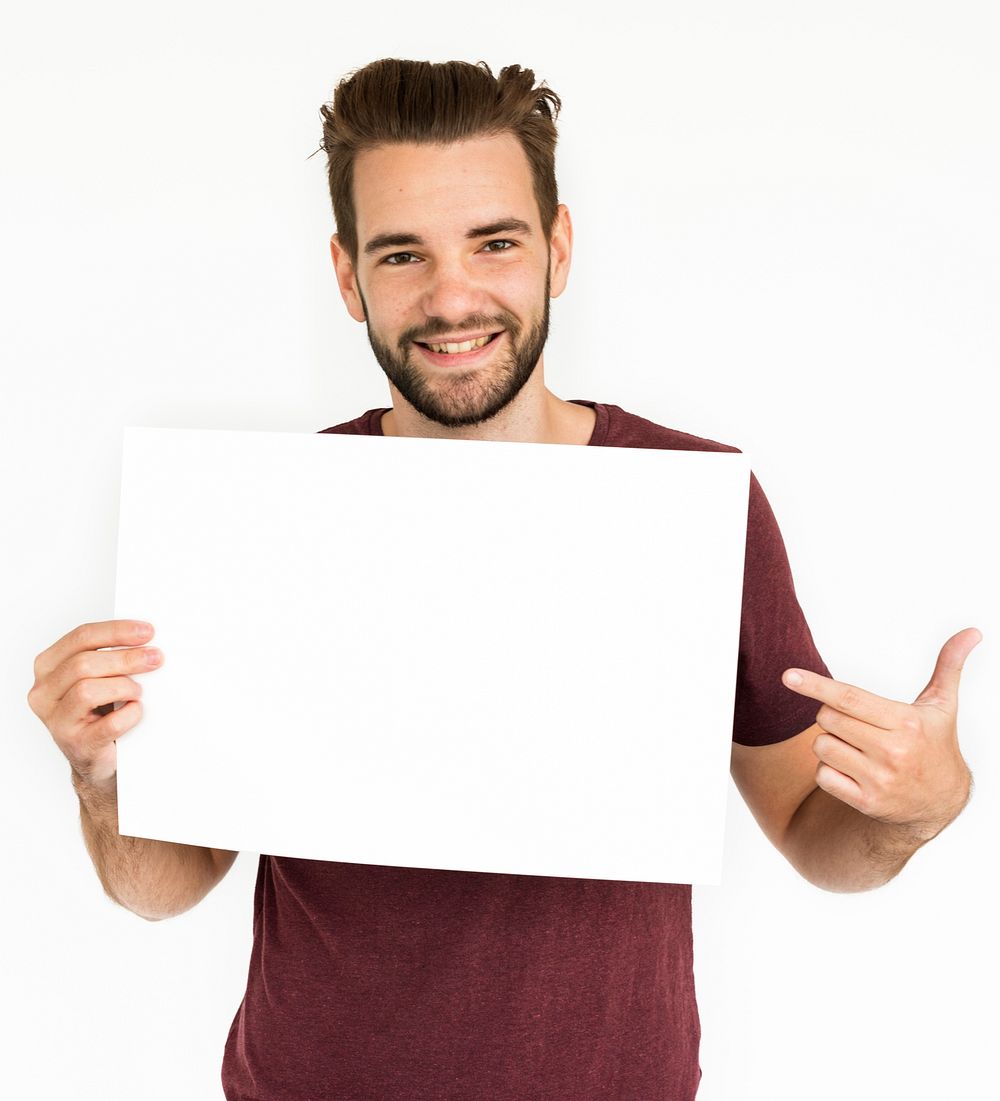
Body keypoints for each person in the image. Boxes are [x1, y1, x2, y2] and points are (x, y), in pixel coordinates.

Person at [26, 59, 979, 1101]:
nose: (452, 298)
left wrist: (914, 807)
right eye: (402, 254)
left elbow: (814, 837)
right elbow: (163, 888)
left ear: (556, 248)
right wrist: (101, 777)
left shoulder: (691, 504)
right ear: (347, 276)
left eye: (494, 242)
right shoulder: (276, 517)